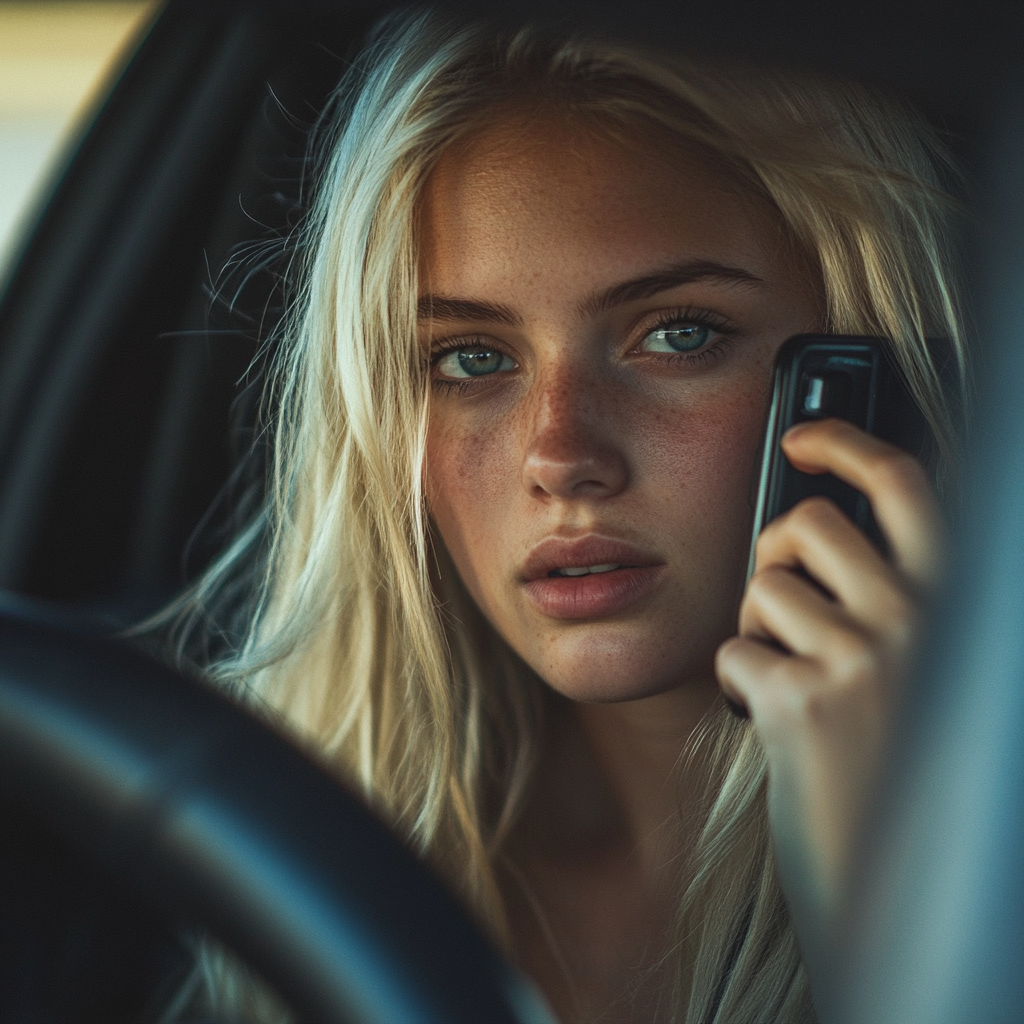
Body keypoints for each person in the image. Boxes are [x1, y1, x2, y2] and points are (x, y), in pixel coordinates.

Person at [162, 9, 967, 1023]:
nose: (560, 457)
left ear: (856, 380)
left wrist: (902, 921)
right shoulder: (276, 860)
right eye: (471, 359)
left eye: (677, 335)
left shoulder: (985, 867)